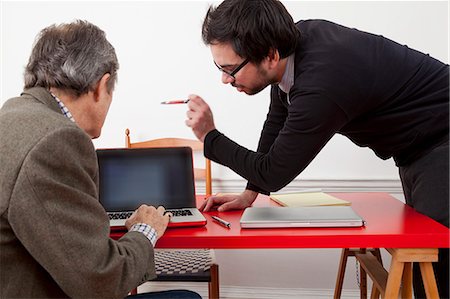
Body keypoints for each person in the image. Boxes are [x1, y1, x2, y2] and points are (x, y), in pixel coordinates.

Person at [185, 0, 449, 298]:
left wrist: (209, 137)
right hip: (418, 148)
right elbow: (277, 122)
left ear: (270, 56)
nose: (224, 79)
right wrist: (250, 192)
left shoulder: (321, 82)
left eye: (231, 69)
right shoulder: (294, 48)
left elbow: (275, 172)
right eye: (219, 67)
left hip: (443, 141)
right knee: (424, 265)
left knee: (438, 272)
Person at [0, 20, 200, 299]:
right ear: (100, 86)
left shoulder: (11, 113)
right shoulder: (57, 140)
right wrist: (145, 230)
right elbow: (101, 280)